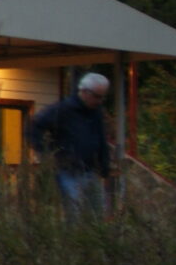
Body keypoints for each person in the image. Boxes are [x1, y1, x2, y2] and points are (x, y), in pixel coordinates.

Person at [30, 72, 114, 216]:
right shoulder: (62, 110)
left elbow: (101, 139)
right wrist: (46, 154)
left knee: (97, 216)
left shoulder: (95, 113)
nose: (99, 101)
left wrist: (104, 166)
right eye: (97, 96)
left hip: (91, 172)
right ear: (84, 92)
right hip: (68, 172)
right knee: (74, 215)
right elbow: (34, 127)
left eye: (102, 97)